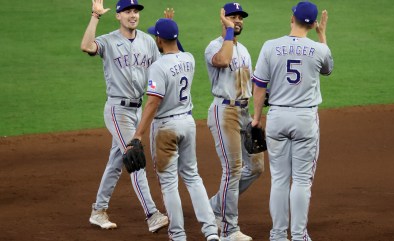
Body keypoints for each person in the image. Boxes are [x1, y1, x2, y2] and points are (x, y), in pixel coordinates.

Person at [80, 0, 170, 231]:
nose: (133, 15)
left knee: (116, 162)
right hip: (117, 109)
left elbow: (159, 72)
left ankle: (98, 210)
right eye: (127, 11)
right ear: (118, 16)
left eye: (135, 11)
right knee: (134, 158)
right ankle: (151, 214)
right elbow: (86, 46)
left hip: (138, 110)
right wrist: (95, 17)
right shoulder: (109, 41)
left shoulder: (147, 42)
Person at [128, 18, 219, 241]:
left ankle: (178, 235)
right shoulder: (189, 59)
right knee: (192, 176)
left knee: (169, 183)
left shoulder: (158, 67)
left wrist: (138, 134)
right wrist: (171, 28)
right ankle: (211, 231)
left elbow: (152, 103)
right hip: (188, 124)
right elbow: (179, 49)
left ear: (159, 39)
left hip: (166, 128)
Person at [251, 1, 334, 241]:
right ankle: (298, 236)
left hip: (277, 116)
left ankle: (277, 235)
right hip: (305, 118)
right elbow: (327, 69)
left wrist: (257, 118)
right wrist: (323, 35)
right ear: (313, 23)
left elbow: (259, 86)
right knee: (300, 181)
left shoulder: (270, 46)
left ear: (292, 18)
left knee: (278, 179)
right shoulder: (319, 49)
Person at [204, 2, 264, 241]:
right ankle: (229, 230)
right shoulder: (214, 46)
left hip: (244, 113)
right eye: (232, 17)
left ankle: (215, 205)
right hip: (224, 112)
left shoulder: (245, 50)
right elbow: (222, 60)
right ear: (223, 19)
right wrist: (228, 31)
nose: (238, 20)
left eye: (240, 17)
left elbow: (248, 84)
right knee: (233, 170)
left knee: (256, 168)